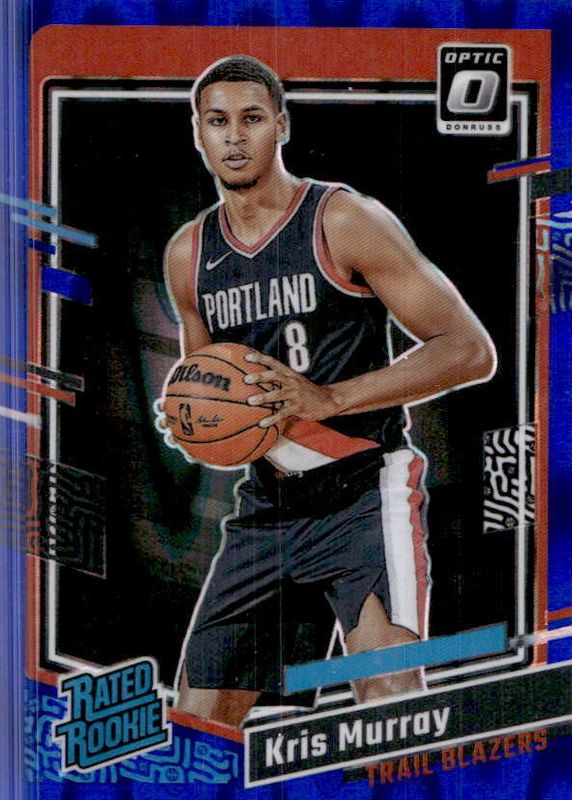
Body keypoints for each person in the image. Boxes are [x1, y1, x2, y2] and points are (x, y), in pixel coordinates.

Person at [158, 55, 496, 728]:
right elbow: (206, 383)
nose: (234, 137)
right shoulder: (188, 255)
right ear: (198, 133)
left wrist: (329, 399)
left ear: (281, 125)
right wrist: (193, 426)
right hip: (266, 508)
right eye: (217, 121)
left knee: (390, 702)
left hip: (363, 494)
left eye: (252, 119)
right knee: (197, 726)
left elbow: (469, 350)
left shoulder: (342, 219)